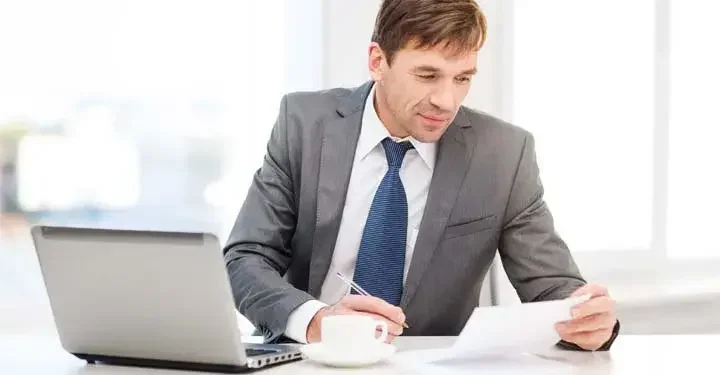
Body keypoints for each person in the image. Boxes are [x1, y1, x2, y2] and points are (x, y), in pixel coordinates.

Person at [223, 0, 619, 351]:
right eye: (427, 75)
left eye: (462, 78)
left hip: (433, 364)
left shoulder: (504, 154)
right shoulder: (305, 124)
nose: (446, 101)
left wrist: (589, 321)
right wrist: (314, 321)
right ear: (378, 61)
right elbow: (245, 258)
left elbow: (553, 288)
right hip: (312, 358)